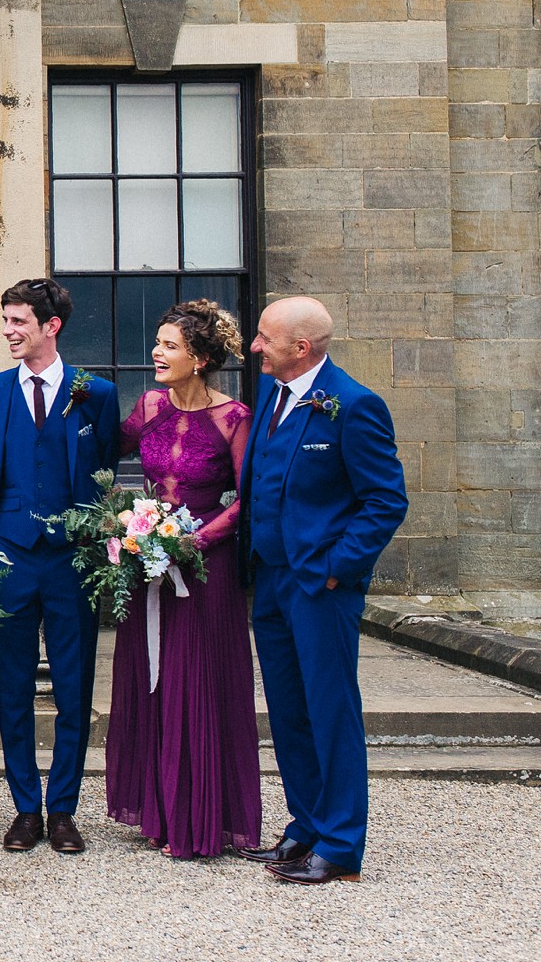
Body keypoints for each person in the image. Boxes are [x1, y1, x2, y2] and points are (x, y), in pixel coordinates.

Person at [238, 296, 407, 885]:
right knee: (288, 709)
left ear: (300, 348)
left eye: (263, 337)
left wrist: (337, 566)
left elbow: (385, 500)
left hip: (321, 586)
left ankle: (340, 845)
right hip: (272, 581)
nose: (254, 346)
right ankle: (305, 826)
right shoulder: (273, 395)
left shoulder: (355, 405)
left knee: (330, 711)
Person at [0, 278, 120, 855]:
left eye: (19, 322)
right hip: (10, 554)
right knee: (12, 688)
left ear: (51, 326)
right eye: (5, 321)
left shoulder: (95, 393)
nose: (8, 331)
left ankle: (64, 810)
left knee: (74, 689)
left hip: (71, 561)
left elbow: (103, 470)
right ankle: (25, 809)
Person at [104, 301, 261, 859]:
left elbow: (248, 499)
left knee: (194, 680)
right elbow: (103, 447)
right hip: (147, 564)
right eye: (158, 343)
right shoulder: (148, 405)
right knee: (152, 677)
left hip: (202, 570)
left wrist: (193, 542)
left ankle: (198, 817)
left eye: (169, 346)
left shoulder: (233, 417)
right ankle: (158, 808)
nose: (156, 354)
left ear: (199, 359)